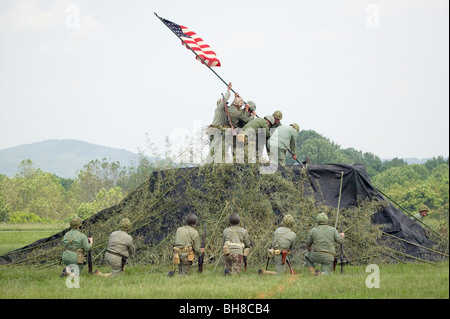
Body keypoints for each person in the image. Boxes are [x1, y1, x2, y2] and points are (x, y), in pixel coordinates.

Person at [206, 82, 233, 162]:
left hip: (219, 133)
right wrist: (228, 90)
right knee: (213, 149)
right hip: (214, 132)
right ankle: (209, 163)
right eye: (224, 104)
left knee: (219, 149)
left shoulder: (225, 112)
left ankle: (217, 163)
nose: (226, 105)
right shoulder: (218, 110)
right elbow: (225, 100)